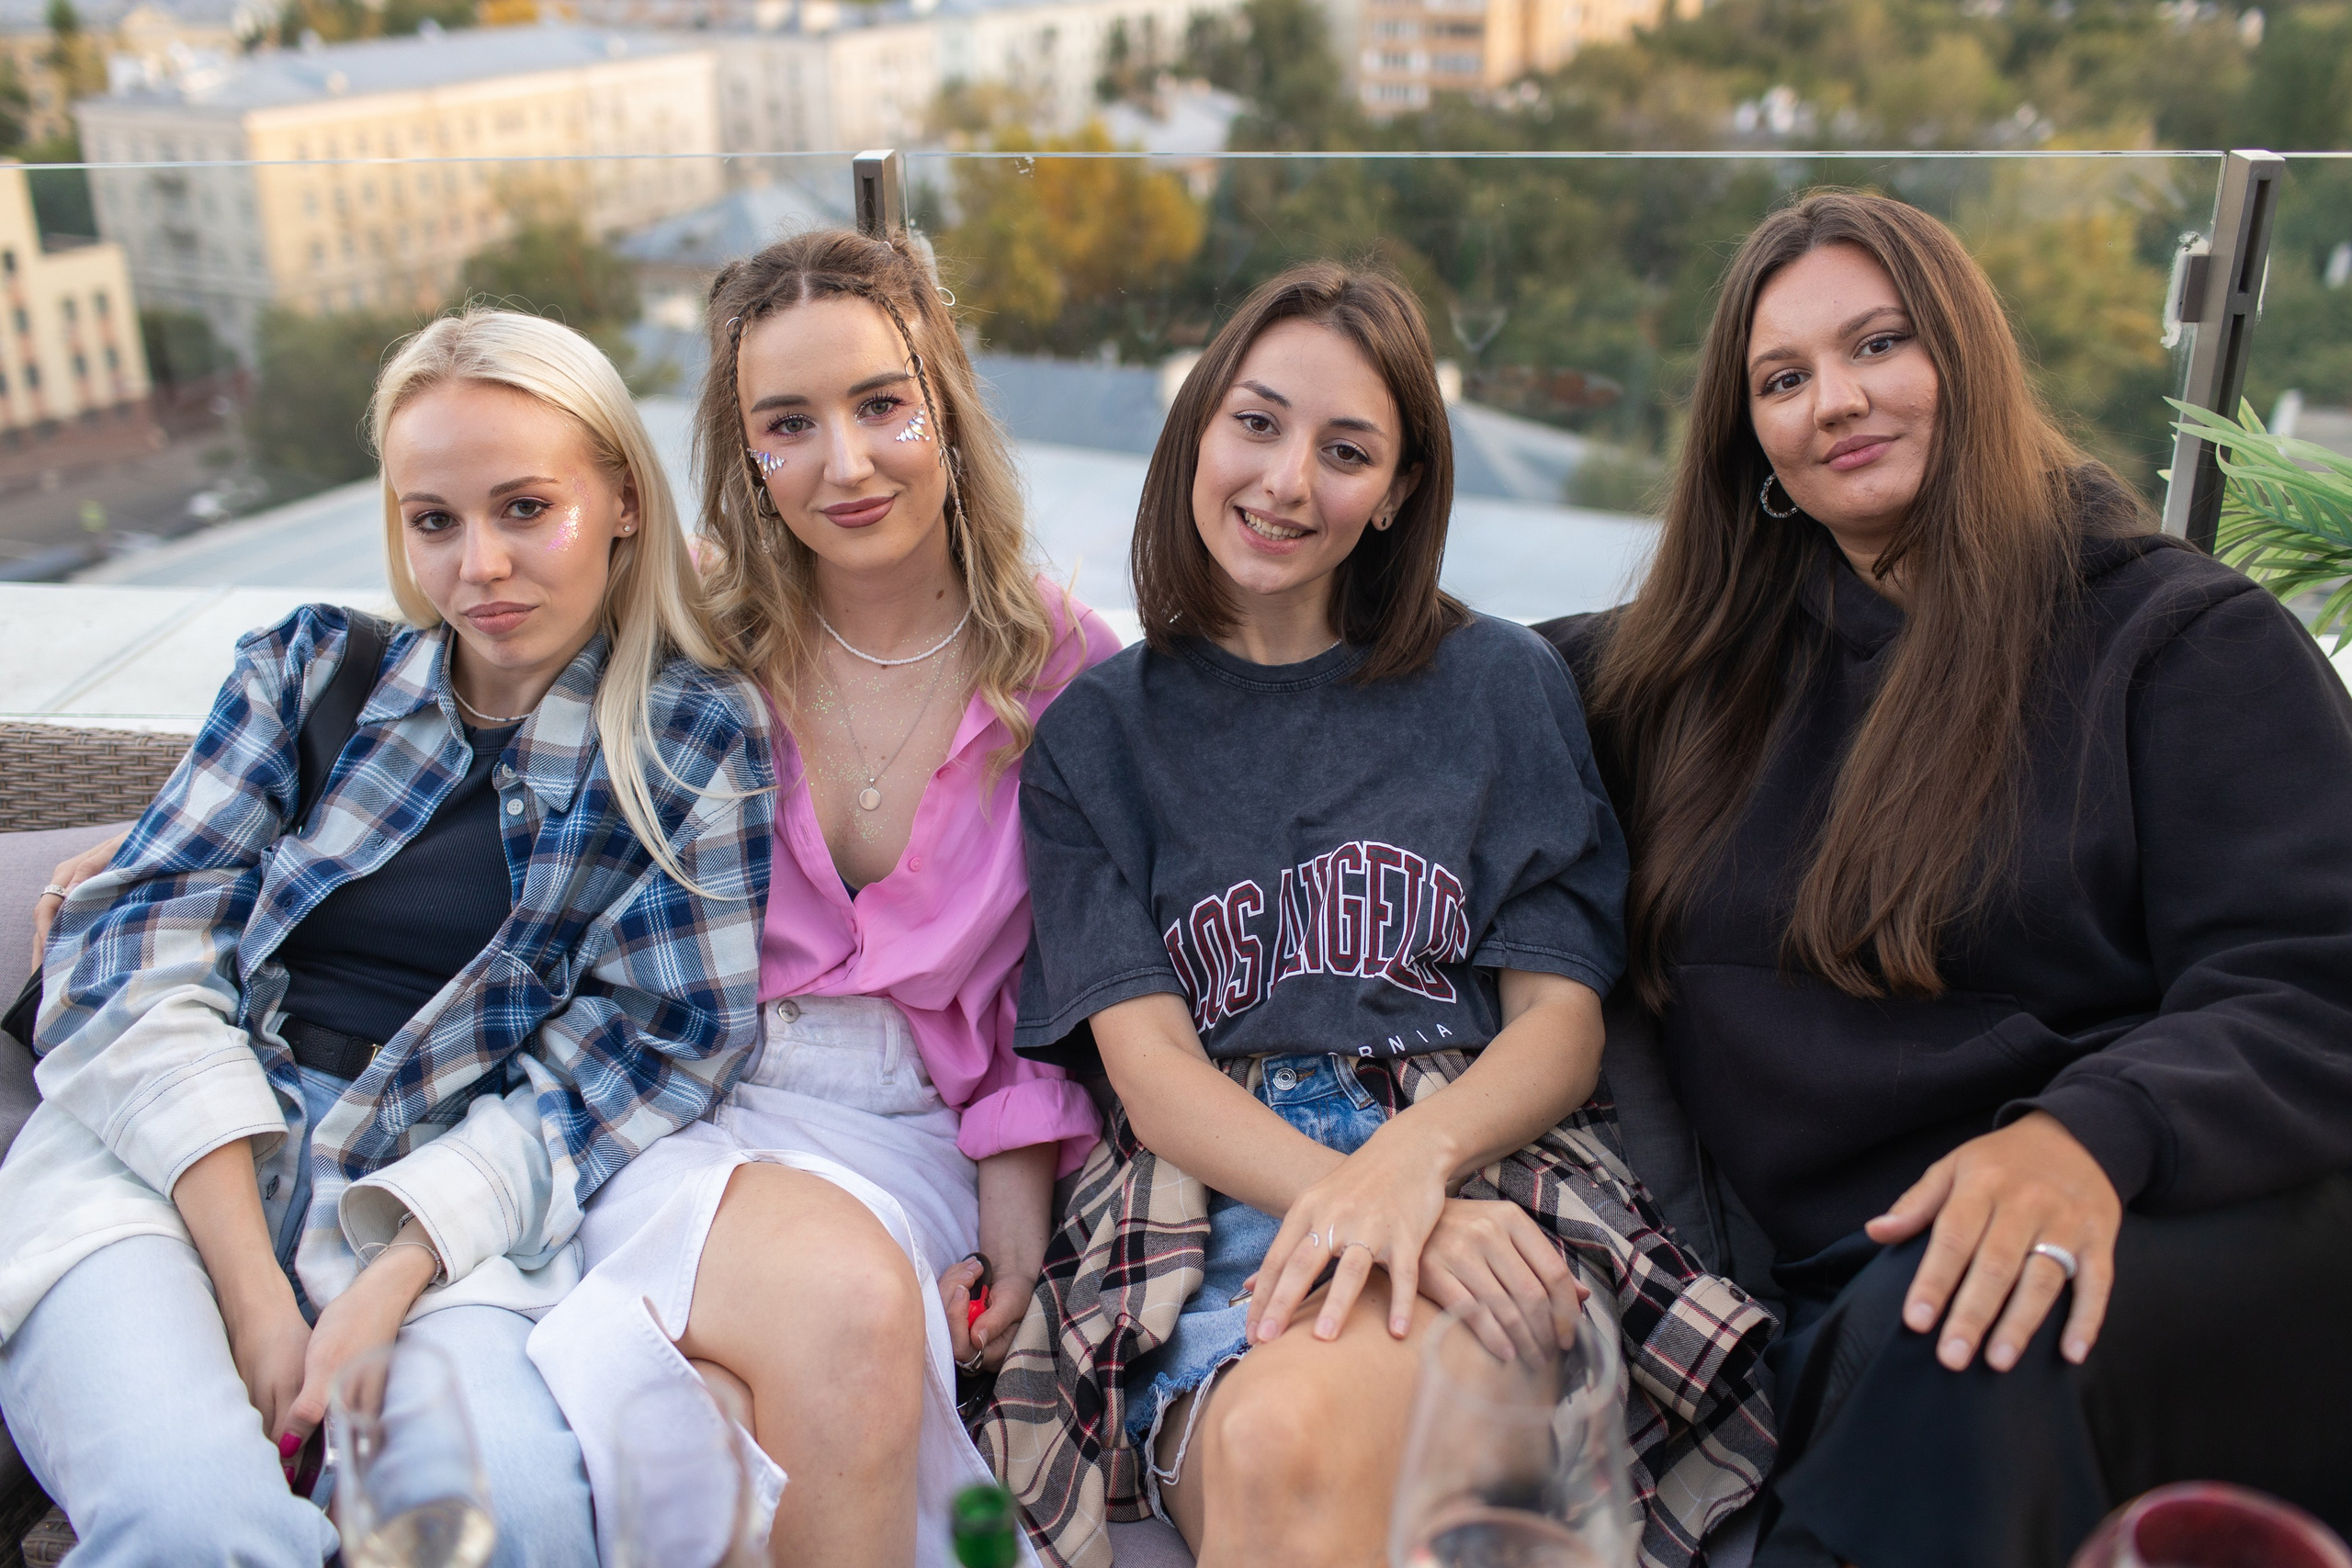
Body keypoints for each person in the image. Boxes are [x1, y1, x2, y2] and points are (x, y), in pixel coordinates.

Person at [1539, 190, 2352, 1568]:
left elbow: (2311, 977)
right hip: (1843, 1274)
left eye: (1879, 346)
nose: (1834, 402)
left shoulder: (2177, 640)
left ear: (1963, 356)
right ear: (1755, 447)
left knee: (1968, 1341)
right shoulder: (1690, 673)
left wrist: (2086, 1135)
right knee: (1920, 1331)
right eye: (1782, 381)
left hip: (2157, 1200)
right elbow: (1411, 679)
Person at [980, 262, 1777, 1568]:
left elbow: (1560, 1030)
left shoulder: (1497, 685)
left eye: (1346, 450)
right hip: (1211, 1192)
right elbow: (1159, 1078)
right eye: (1258, 422)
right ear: (1198, 428)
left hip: (1482, 1161)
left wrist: (1418, 1173)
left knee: (1282, 1443)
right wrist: (1364, 1197)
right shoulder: (1095, 740)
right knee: (1260, 1448)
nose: (1288, 481)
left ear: (1401, 489)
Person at [0, 310, 775, 1567]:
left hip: (437, 1204)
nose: (479, 566)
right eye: (435, 521)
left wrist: (389, 1277)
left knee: (507, 1523)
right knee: (195, 1519)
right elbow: (139, 951)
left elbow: (645, 1054)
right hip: (163, 1164)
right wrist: (257, 1296)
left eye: (528, 508)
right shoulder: (305, 674)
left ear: (623, 502)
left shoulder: (692, 748)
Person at [526, 228, 1114, 1568]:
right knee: (841, 1310)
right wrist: (179, 845)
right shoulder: (686, 643)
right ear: (747, 459)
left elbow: (1050, 999)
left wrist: (1018, 1238)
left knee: (721, 1426)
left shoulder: (1068, 670)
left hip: (914, 1140)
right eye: (788, 424)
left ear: (945, 409)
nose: (845, 464)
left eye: (880, 405)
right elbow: (451, 704)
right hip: (689, 1100)